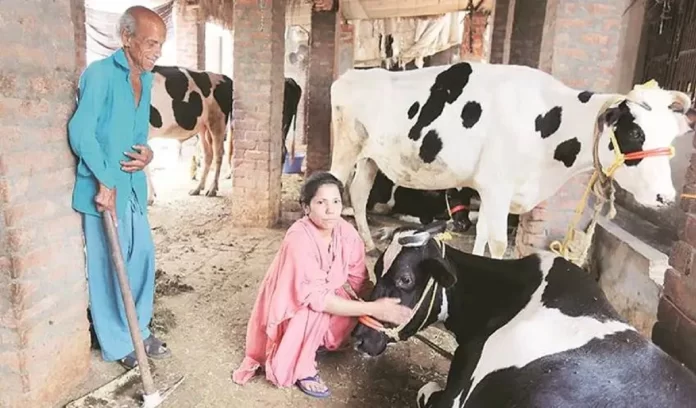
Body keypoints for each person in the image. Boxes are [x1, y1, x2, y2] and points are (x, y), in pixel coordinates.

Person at [232, 171, 413, 398]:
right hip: (293, 300)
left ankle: (317, 343)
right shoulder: (298, 237)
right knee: (310, 315)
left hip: (324, 295)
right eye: (321, 202)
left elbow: (359, 280)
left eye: (336, 202)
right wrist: (373, 308)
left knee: (356, 315)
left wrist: (378, 314)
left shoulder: (346, 233)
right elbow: (317, 299)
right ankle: (303, 367)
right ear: (306, 208)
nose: (331, 210)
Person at [67, 6, 170, 369]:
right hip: (102, 190)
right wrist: (105, 181)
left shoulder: (144, 79)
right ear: (126, 38)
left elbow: (139, 136)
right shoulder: (99, 75)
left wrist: (148, 154)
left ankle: (138, 328)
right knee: (109, 268)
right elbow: (81, 133)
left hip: (132, 188)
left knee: (141, 259)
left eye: (162, 44)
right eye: (151, 43)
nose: (158, 51)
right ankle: (116, 342)